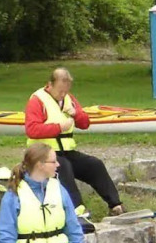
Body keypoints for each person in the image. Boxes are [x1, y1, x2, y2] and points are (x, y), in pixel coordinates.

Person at [23, 67, 125, 219]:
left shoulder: (68, 99)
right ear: (49, 85)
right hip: (42, 154)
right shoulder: (37, 100)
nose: (62, 95)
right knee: (64, 167)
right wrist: (58, 128)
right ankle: (77, 211)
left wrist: (76, 114)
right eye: (59, 91)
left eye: (66, 91)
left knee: (94, 165)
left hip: (66, 151)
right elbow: (31, 129)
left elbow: (85, 124)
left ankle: (115, 205)